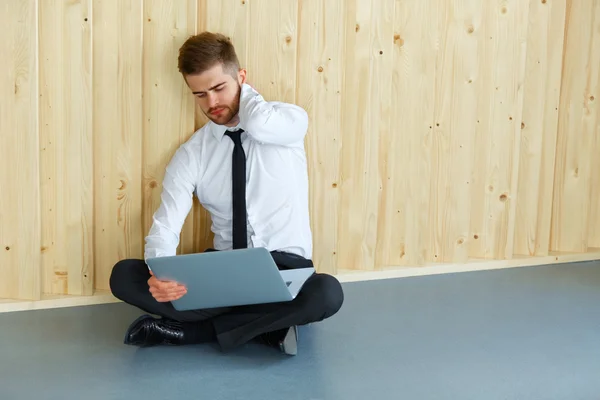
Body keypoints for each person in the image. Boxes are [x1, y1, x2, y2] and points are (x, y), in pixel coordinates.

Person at [109, 32, 344, 355]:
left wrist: (246, 99)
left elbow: (259, 125)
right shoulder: (193, 153)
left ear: (241, 78)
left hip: (285, 271)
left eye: (220, 88)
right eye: (200, 94)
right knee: (124, 275)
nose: (212, 104)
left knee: (327, 292)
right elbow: (166, 224)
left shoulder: (287, 122)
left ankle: (190, 334)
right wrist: (158, 272)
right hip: (224, 274)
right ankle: (266, 329)